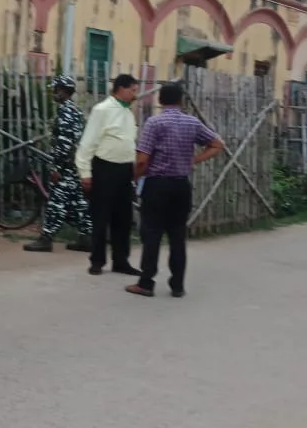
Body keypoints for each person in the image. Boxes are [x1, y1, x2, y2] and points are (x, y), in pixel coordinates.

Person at [123, 83, 223, 298]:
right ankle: (177, 285)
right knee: (177, 236)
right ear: (181, 100)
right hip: (181, 185)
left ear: (160, 100)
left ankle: (146, 282)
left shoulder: (154, 123)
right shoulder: (192, 122)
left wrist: (135, 177)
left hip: (157, 185)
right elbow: (217, 144)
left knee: (152, 235)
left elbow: (142, 160)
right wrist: (193, 160)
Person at [77, 73, 141, 275]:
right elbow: (88, 143)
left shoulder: (129, 113)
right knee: (101, 216)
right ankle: (97, 260)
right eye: (133, 90)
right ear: (121, 89)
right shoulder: (102, 110)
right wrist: (85, 173)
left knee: (123, 217)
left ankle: (121, 260)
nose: (135, 94)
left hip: (124, 170)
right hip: (105, 168)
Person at [24, 75, 93, 253]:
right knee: (78, 202)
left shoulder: (65, 112)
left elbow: (64, 143)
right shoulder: (76, 111)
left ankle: (46, 238)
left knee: (56, 202)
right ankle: (86, 237)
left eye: (55, 90)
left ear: (63, 91)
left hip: (66, 167)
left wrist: (57, 168)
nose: (53, 93)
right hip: (76, 166)